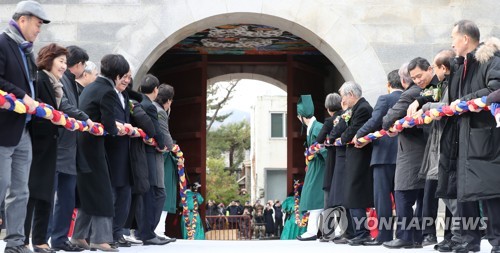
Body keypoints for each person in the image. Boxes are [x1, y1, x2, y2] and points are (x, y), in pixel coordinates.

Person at [0, 1, 49, 253]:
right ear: (23, 20)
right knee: (1, 185)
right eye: (38, 24)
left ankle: (16, 243)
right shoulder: (2, 43)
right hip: (4, 128)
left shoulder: (25, 50)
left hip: (23, 130)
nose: (39, 29)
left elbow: (31, 88)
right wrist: (22, 96)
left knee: (20, 191)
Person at [448, 20, 500, 253]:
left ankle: (498, 241)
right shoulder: (461, 67)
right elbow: (452, 101)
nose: (452, 43)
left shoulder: (490, 60)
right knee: (464, 190)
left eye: (454, 37)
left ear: (465, 39)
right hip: (463, 136)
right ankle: (469, 240)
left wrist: (466, 100)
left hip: (485, 137)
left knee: (490, 191)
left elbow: (494, 90)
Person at [73, 54, 133, 252]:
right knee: (104, 193)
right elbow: (108, 123)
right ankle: (101, 238)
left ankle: (79, 235)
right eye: (123, 75)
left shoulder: (91, 87)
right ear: (116, 74)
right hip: (94, 147)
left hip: (82, 143)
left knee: (90, 192)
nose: (125, 79)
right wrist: (119, 129)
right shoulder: (108, 91)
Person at [23, 43, 67, 253]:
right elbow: (34, 109)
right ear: (49, 59)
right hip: (37, 143)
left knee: (46, 193)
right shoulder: (39, 79)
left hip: (49, 145)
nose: (64, 66)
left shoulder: (56, 83)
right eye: (61, 61)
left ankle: (41, 240)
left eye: (65, 62)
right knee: (31, 193)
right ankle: (23, 239)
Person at [382, 61, 428, 249]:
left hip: (411, 153)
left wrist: (391, 125)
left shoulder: (410, 93)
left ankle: (404, 236)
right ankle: (417, 237)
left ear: (403, 80)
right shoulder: (425, 91)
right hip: (424, 150)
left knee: (403, 195)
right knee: (421, 197)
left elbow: (388, 118)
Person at [354, 70, 403, 245]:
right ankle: (404, 236)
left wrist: (359, 135)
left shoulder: (385, 99)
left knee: (382, 199)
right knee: (402, 198)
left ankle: (384, 235)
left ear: (388, 85)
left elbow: (375, 121)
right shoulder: (411, 97)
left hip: (383, 155)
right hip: (403, 155)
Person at [415, 49, 457, 250]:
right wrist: (421, 102)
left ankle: (451, 234)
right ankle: (430, 233)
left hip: (447, 143)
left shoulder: (452, 82)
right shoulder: (439, 85)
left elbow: (446, 105)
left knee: (447, 191)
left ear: (442, 67)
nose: (417, 80)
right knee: (433, 191)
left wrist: (425, 107)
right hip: (435, 144)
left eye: (419, 75)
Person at [50, 45, 90, 252]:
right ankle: (49, 238)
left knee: (66, 198)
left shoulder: (71, 82)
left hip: (70, 148)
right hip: (59, 147)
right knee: (53, 197)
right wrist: (87, 120)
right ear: (79, 65)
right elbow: (64, 106)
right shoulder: (60, 81)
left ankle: (59, 239)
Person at [334, 81, 373, 246]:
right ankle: (357, 232)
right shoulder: (353, 109)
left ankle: (362, 232)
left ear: (350, 94)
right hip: (354, 156)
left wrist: (342, 139)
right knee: (351, 194)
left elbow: (353, 130)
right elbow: (343, 128)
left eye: (343, 96)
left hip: (360, 156)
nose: (343, 100)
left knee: (355, 194)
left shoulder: (363, 108)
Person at [138, 74, 169, 245]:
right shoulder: (149, 106)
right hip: (149, 154)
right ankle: (148, 232)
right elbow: (156, 130)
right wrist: (163, 144)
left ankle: (144, 231)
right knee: (153, 193)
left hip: (139, 152)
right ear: (156, 89)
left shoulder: (137, 103)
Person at [296, 95, 326, 241]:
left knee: (316, 197)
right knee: (317, 199)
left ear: (300, 116)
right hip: (316, 166)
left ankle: (314, 231)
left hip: (320, 166)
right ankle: (316, 230)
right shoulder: (314, 127)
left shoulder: (317, 127)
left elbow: (325, 147)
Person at [153, 83, 177, 242]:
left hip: (158, 154)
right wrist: (173, 148)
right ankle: (158, 230)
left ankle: (157, 229)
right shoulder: (160, 112)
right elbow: (165, 135)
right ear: (168, 101)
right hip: (160, 155)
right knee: (162, 192)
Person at [314, 93, 342, 211]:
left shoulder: (330, 121)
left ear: (328, 107)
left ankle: (328, 226)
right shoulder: (346, 116)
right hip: (346, 158)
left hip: (333, 158)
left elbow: (319, 140)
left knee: (328, 195)